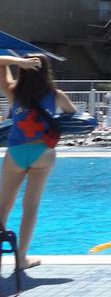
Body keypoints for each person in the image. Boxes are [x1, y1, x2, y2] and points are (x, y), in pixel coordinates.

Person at [0, 54, 77, 270]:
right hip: (43, 152)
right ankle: (22, 259)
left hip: (16, 152)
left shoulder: (13, 91)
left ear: (23, 70)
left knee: (3, 206)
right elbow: (75, 118)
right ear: (47, 71)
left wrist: (17, 63)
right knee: (31, 206)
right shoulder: (55, 94)